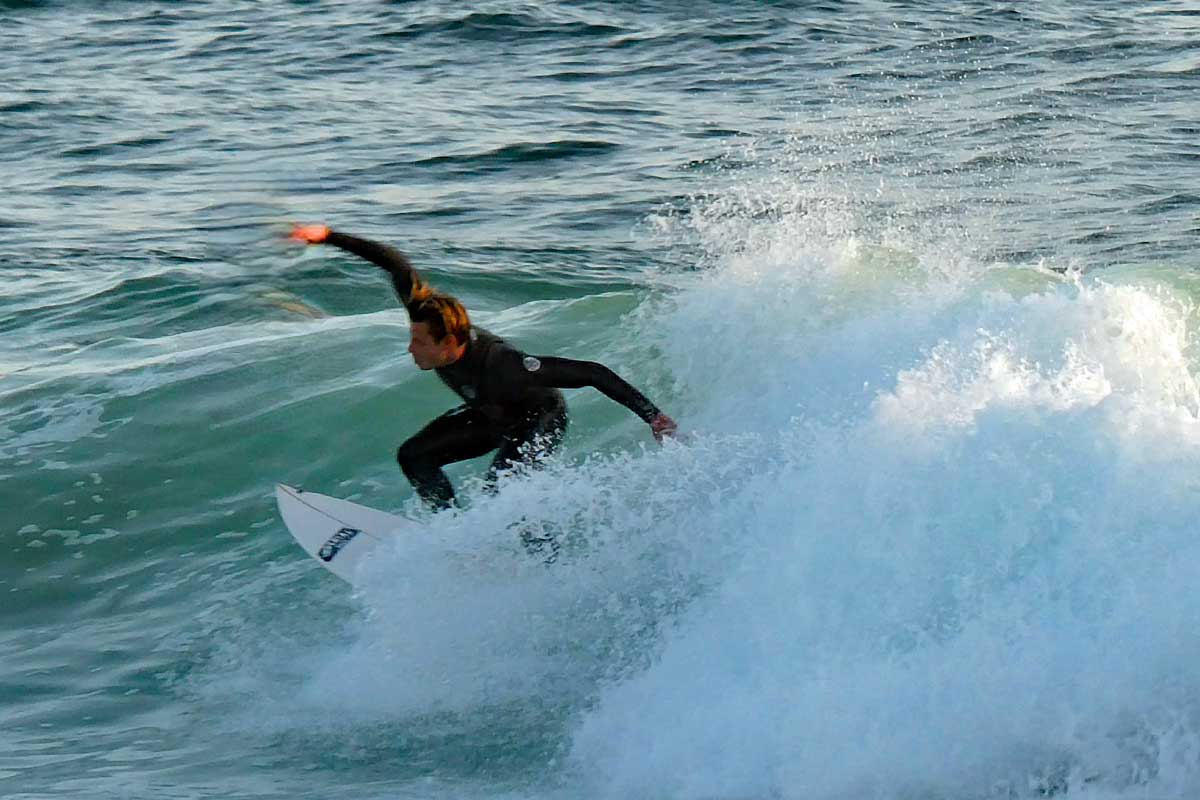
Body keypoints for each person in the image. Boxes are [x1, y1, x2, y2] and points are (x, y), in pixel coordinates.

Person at [289, 224, 678, 512]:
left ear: (449, 344)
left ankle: (544, 562)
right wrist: (326, 236)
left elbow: (592, 373)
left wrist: (653, 417)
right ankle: (455, 534)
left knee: (504, 495)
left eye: (419, 343)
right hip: (490, 412)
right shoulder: (427, 314)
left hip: (538, 420)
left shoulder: (505, 366)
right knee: (414, 456)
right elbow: (394, 262)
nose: (410, 348)